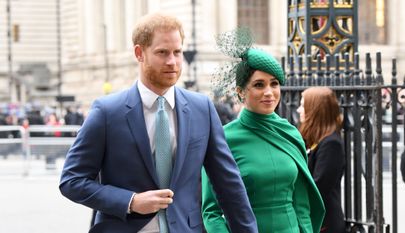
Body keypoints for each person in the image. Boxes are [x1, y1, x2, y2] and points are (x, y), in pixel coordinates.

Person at [59, 12, 257, 233]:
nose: (172, 61)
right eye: (162, 53)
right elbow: (71, 180)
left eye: (177, 52)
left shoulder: (202, 109)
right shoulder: (107, 112)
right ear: (139, 53)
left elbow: (229, 184)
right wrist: (131, 201)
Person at [201, 28, 325, 233]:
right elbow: (211, 212)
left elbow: (301, 204)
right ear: (241, 92)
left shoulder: (291, 134)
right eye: (259, 85)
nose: (269, 92)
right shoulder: (223, 139)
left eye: (274, 84)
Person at [296, 87, 346, 233]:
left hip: (325, 224)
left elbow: (318, 188)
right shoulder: (314, 140)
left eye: (303, 105)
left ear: (315, 110)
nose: (299, 110)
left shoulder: (331, 144)